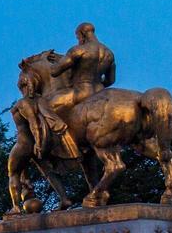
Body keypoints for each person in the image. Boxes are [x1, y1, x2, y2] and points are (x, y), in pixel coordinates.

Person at [35, 22, 115, 158]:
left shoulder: (78, 50)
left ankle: (54, 143)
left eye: (78, 37)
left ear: (82, 34)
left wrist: (50, 59)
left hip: (80, 92)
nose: (78, 40)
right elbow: (110, 80)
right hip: (100, 92)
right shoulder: (109, 53)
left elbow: (55, 71)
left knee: (41, 104)